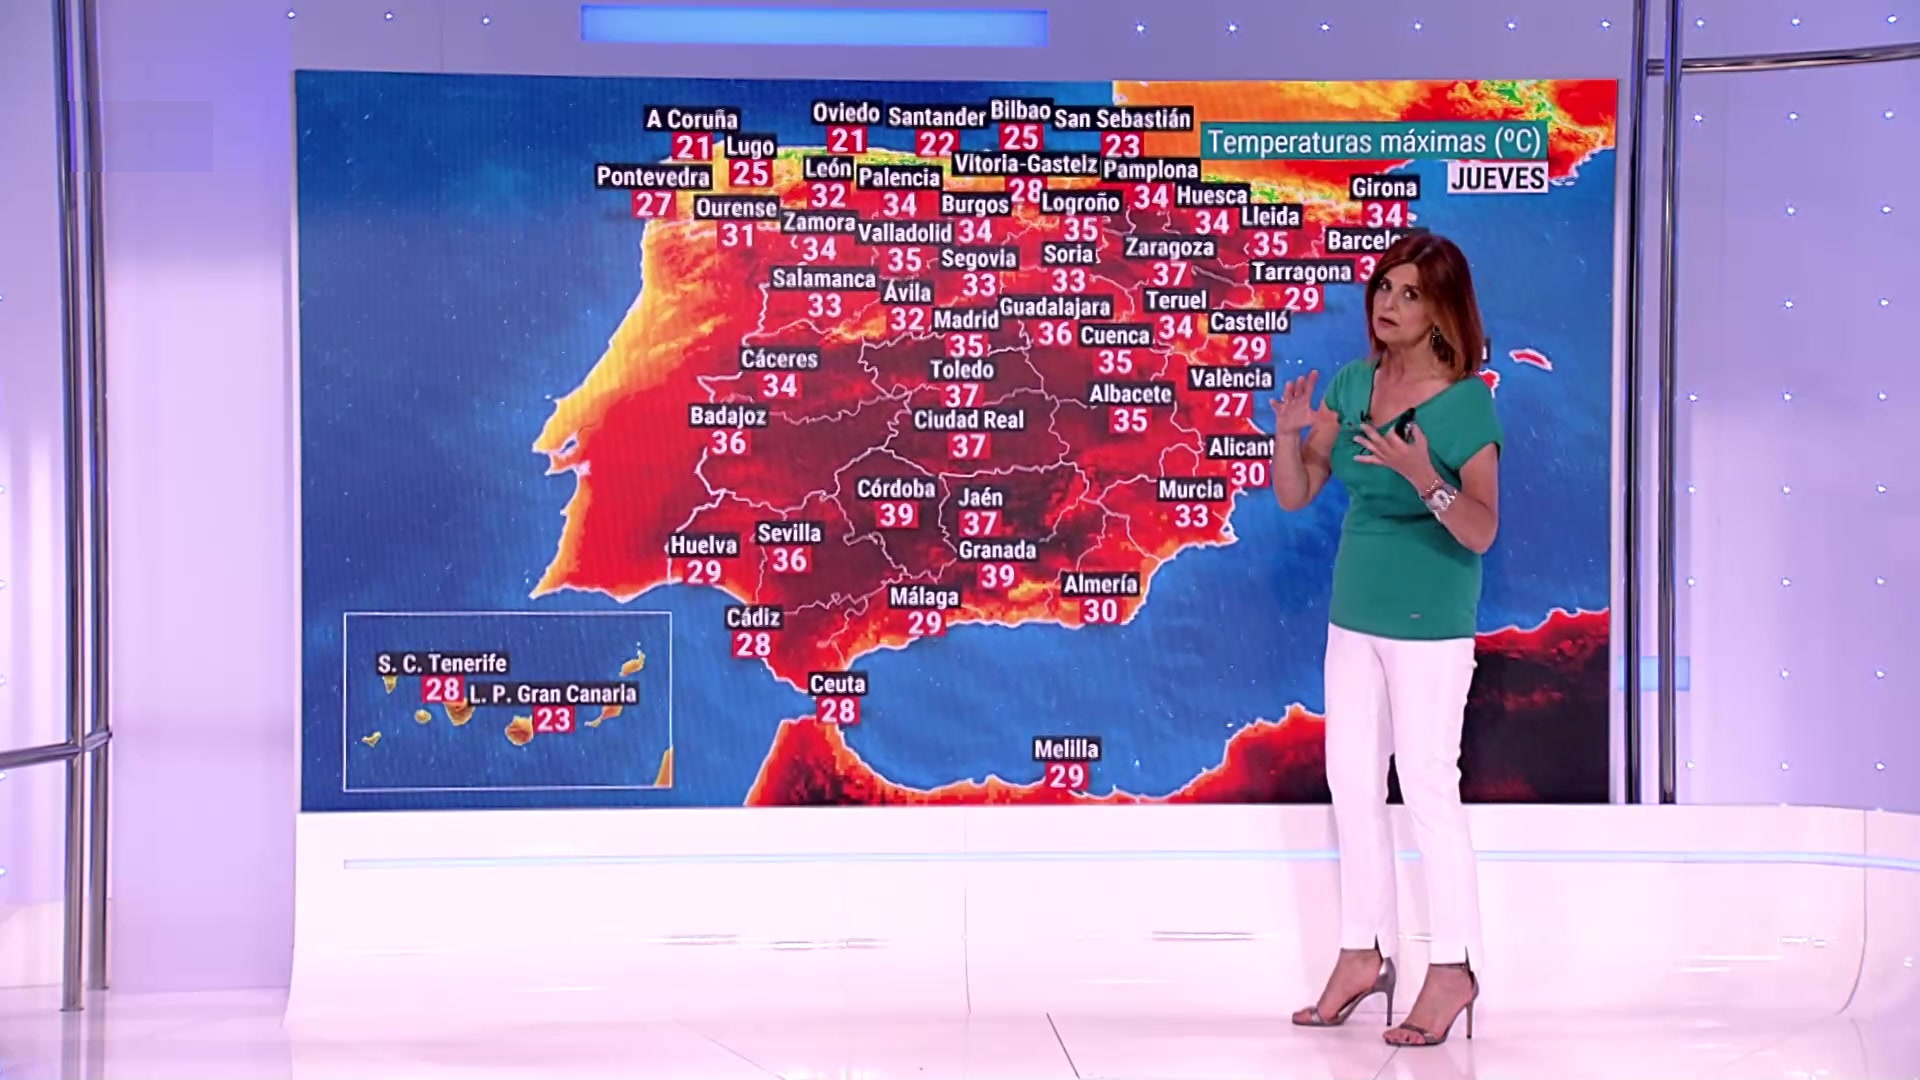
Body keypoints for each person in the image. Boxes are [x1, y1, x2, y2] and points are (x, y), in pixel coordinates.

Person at [1270, 232, 1500, 1048]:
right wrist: (1287, 435)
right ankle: (1363, 953)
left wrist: (1422, 477)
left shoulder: (1465, 405)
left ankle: (1453, 966)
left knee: (1428, 786)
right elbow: (1299, 492)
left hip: (1430, 623)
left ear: (1441, 309)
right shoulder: (1352, 383)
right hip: (1354, 614)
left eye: (1408, 293)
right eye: (1383, 289)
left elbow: (1480, 528)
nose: (1388, 304)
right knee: (1352, 784)